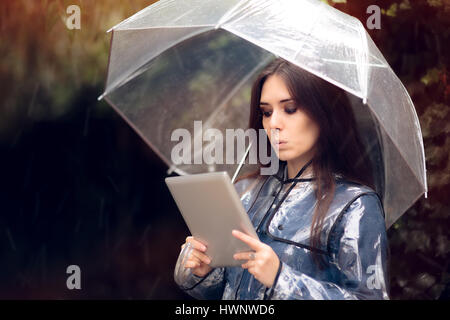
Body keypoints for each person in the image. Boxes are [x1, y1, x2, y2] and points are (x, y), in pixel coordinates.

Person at [174, 58, 390, 300]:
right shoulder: (246, 192)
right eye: (266, 112)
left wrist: (282, 279)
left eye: (289, 109)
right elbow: (226, 291)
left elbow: (369, 297)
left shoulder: (355, 205)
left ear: (323, 113)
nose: (273, 124)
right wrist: (204, 271)